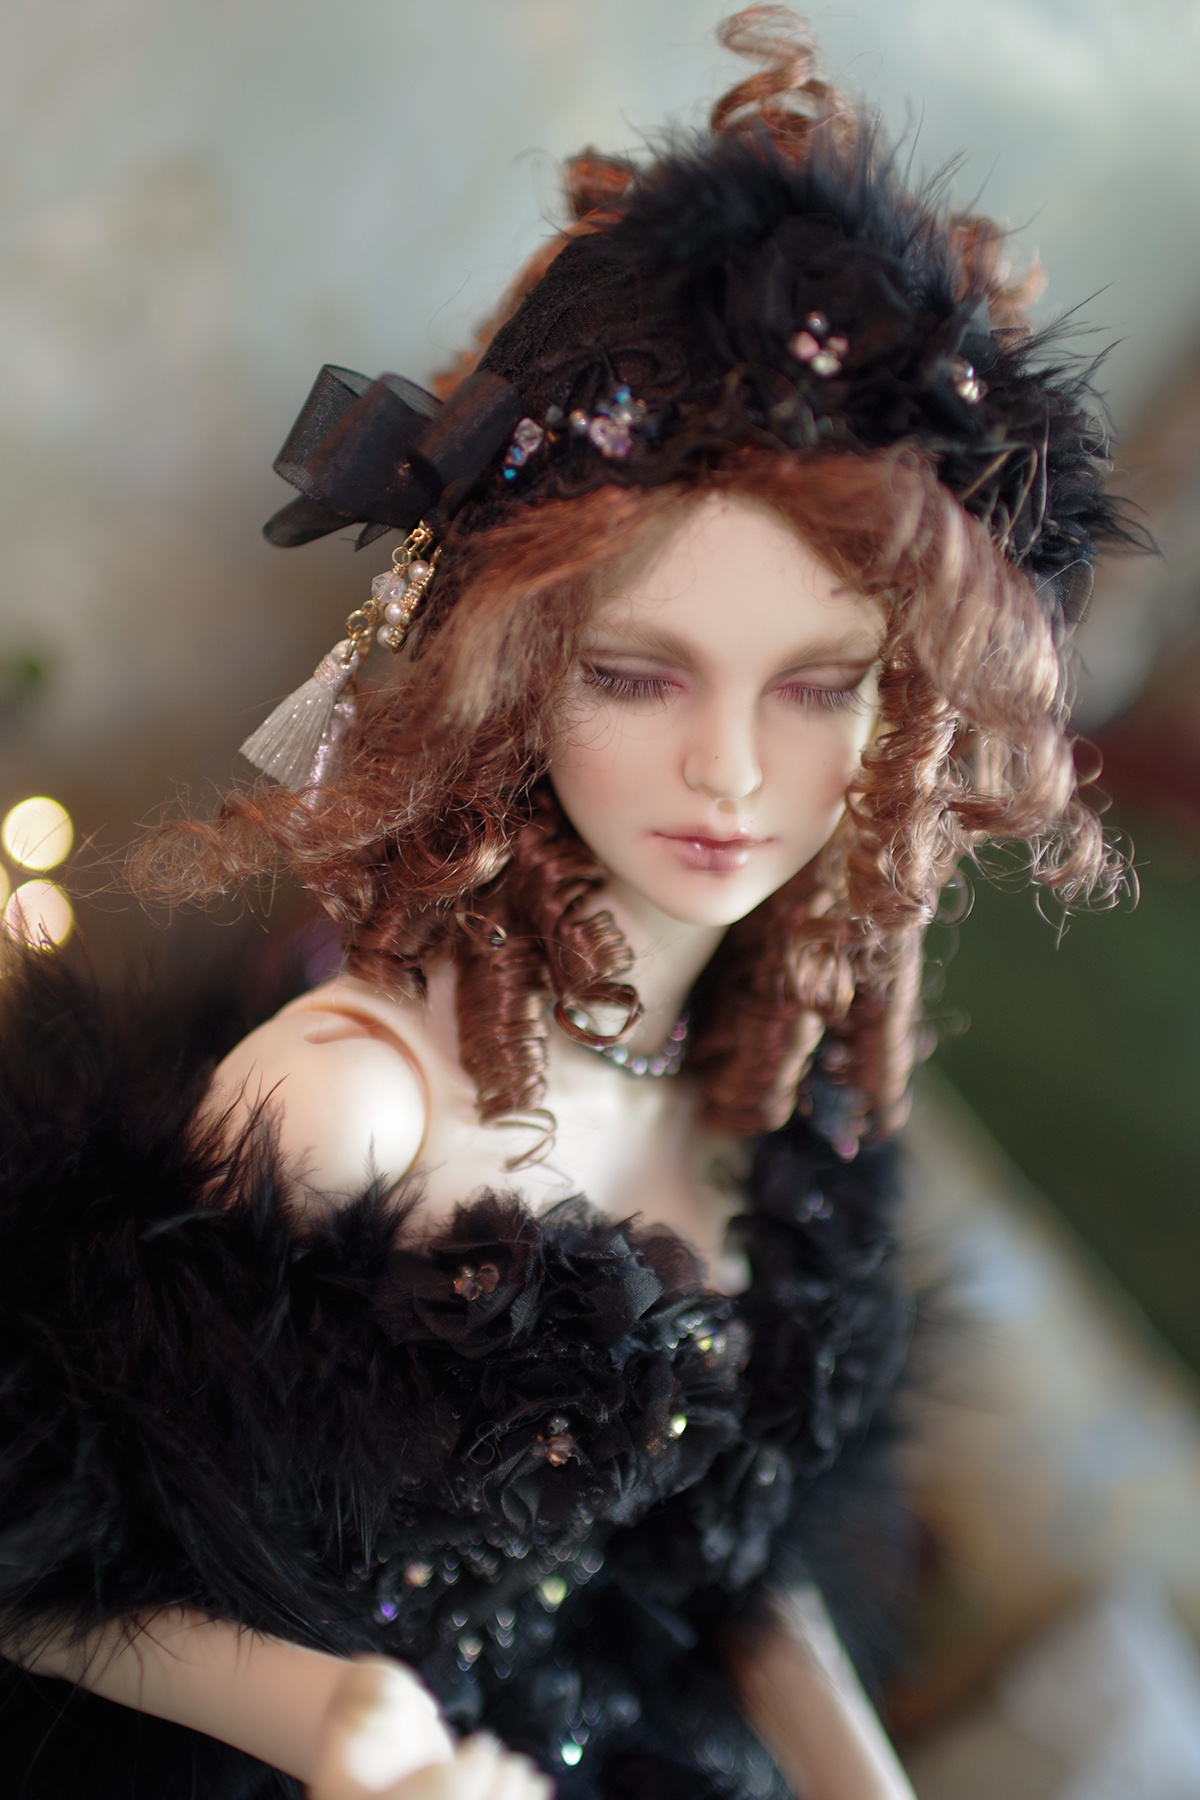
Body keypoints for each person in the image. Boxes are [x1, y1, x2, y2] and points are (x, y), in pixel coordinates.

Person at [0, 9, 1136, 1798]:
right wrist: (339, 1724)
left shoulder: (787, 1109)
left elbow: (714, 1568)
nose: (732, 775)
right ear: (517, 671)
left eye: (821, 686)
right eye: (636, 674)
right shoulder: (352, 1103)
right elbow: (40, 1561)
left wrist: (851, 1761)